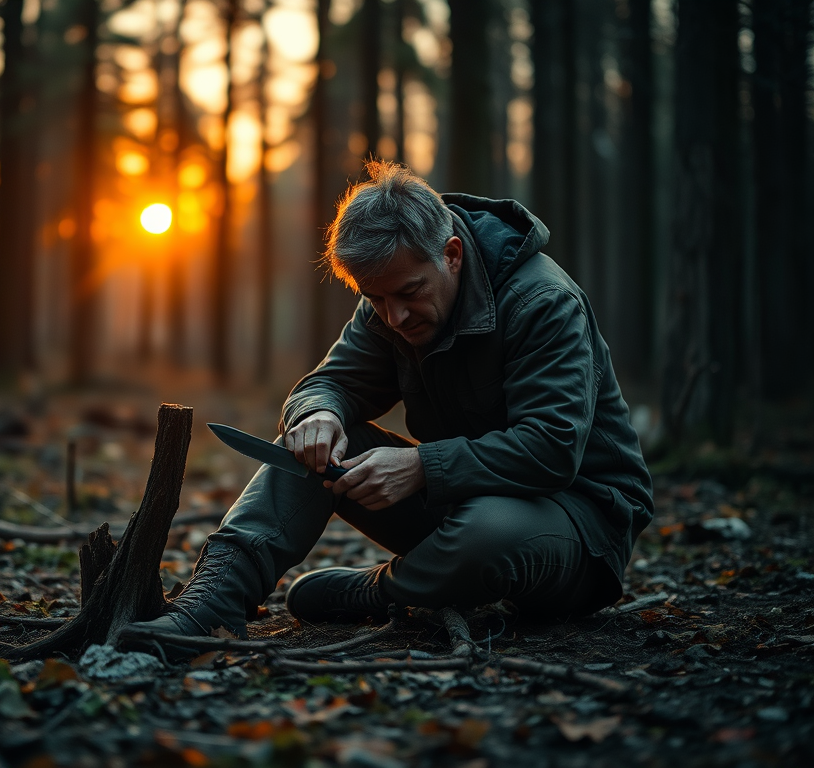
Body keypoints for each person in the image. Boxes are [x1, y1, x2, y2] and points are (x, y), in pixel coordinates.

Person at [119, 161, 653, 647]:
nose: (394, 317)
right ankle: (212, 602)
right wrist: (317, 415)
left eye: (409, 293)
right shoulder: (391, 298)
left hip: (580, 528)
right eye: (375, 299)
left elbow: (553, 448)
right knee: (310, 450)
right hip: (460, 504)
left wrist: (421, 466)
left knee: (486, 532)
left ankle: (378, 593)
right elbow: (331, 383)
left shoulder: (543, 302)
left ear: (451, 254)